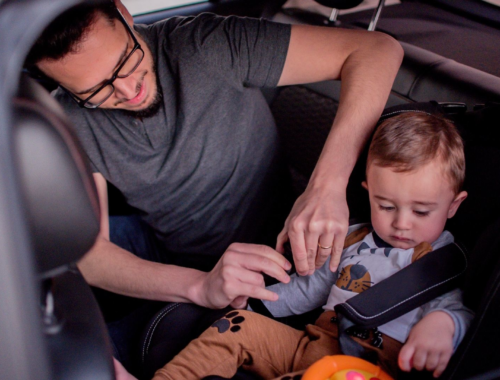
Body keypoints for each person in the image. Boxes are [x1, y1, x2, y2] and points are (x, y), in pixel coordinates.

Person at [25, 0, 403, 372]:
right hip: (173, 253)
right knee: (48, 327)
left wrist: (326, 186)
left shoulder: (205, 45)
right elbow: (90, 252)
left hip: (273, 263)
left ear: (124, 13)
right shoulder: (69, 118)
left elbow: (377, 50)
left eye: (125, 60)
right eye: (96, 92)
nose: (126, 90)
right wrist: (199, 286)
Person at [149, 112, 474, 380]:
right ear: (368, 191)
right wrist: (254, 302)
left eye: (421, 211)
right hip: (314, 342)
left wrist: (442, 325)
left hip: (372, 367)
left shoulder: (440, 259)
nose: (402, 223)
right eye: (386, 206)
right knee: (236, 327)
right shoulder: (352, 237)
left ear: (453, 206)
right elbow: (313, 288)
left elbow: (456, 308)